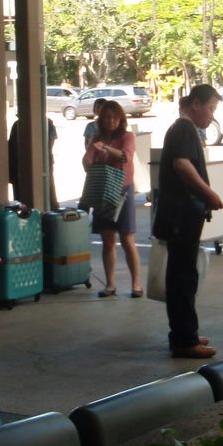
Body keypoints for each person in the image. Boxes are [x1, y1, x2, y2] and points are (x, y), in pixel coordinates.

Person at [152, 84, 223, 359]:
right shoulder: (183, 129)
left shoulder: (184, 129)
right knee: (182, 278)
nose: (212, 115)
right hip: (181, 216)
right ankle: (185, 340)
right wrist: (209, 193)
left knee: (184, 276)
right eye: (210, 108)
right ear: (195, 104)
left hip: (182, 217)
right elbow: (182, 165)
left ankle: (186, 333)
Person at [83, 99, 142, 298]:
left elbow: (126, 156)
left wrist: (106, 149)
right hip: (103, 191)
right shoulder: (97, 138)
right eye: (107, 117)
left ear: (121, 119)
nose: (111, 121)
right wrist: (90, 160)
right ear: (101, 119)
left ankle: (136, 284)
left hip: (123, 191)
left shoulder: (127, 136)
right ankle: (110, 284)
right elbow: (87, 159)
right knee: (107, 239)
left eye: (115, 117)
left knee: (126, 238)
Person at [8, 117, 58, 208]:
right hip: (41, 162)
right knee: (47, 189)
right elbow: (49, 145)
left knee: (22, 193)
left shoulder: (17, 125)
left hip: (22, 164)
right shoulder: (48, 124)